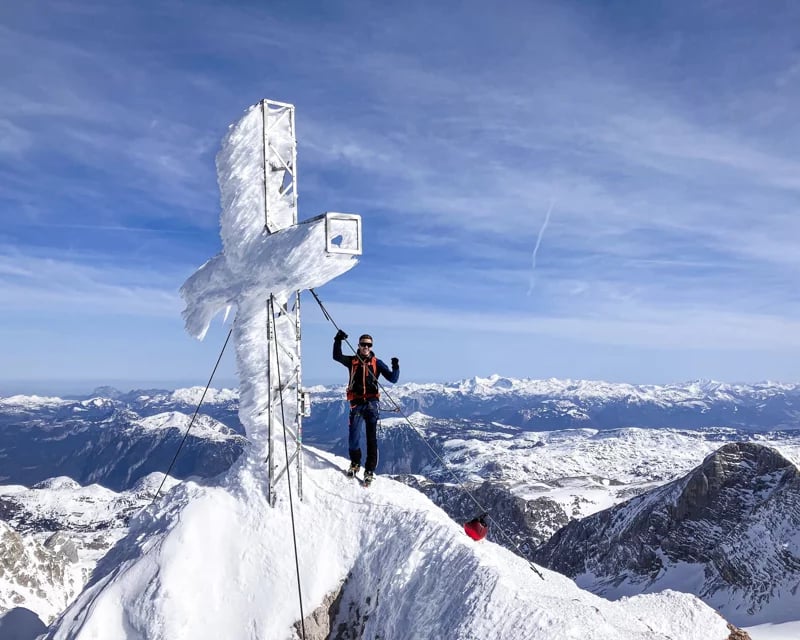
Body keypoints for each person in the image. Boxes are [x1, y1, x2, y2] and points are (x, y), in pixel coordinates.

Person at [332, 329, 399, 486]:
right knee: (353, 437)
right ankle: (355, 463)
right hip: (357, 403)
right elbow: (337, 356)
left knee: (371, 439)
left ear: (371, 346)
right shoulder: (352, 361)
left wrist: (395, 366)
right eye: (363, 344)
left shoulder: (376, 363)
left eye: (368, 345)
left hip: (371, 404)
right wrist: (338, 340)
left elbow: (393, 379)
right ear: (359, 345)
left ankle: (369, 470)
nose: (366, 347)